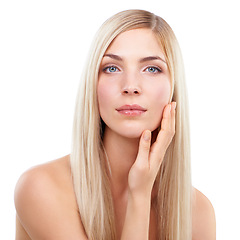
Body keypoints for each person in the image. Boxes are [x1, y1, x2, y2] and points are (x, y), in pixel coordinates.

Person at [14, 9, 216, 240]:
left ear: (173, 88)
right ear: (93, 83)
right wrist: (139, 195)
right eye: (112, 68)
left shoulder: (198, 212)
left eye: (152, 68)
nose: (131, 86)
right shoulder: (42, 187)